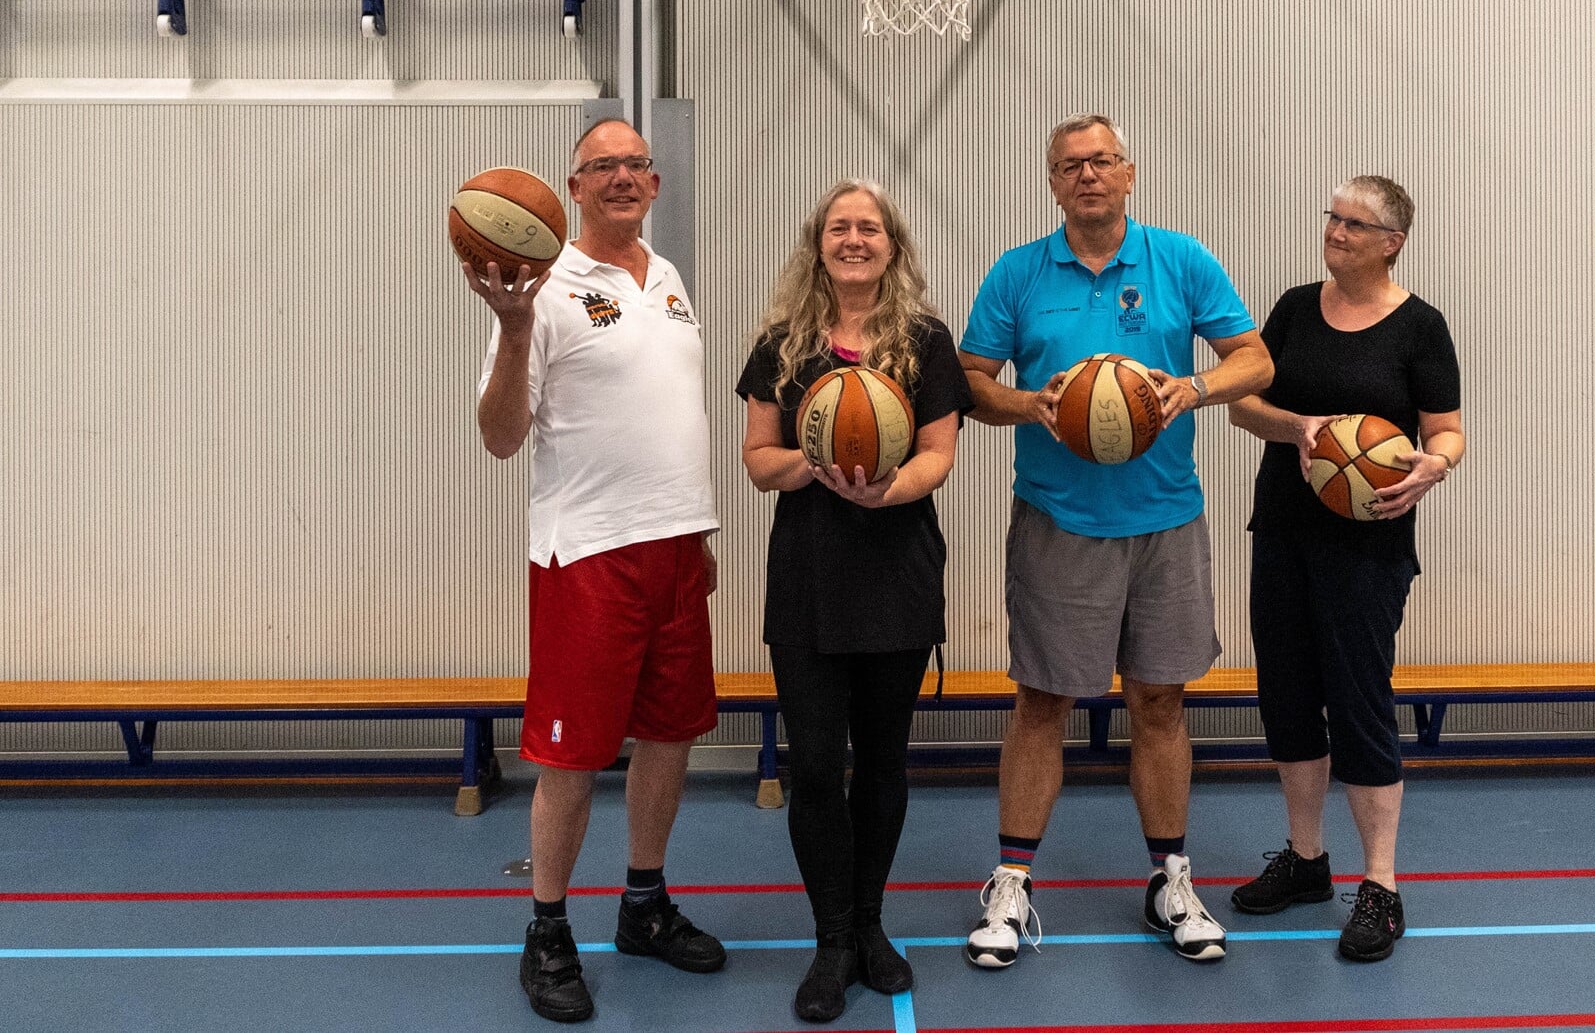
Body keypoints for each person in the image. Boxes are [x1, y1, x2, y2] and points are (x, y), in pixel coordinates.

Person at [955, 113, 1273, 968]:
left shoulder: (1180, 259)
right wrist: (1032, 404)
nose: (1087, 175)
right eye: (1069, 166)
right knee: (1041, 703)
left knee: (1161, 702)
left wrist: (1194, 387)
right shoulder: (1019, 273)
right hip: (1059, 522)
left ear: (1129, 173)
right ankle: (1012, 883)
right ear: (1052, 182)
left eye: (1101, 161)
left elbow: (1257, 360)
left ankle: (1171, 878)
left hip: (1165, 519)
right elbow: (971, 380)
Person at [468, 118, 727, 1024]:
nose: (621, 177)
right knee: (572, 755)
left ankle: (644, 905)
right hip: (588, 555)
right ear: (572, 189)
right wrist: (508, 329)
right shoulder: (540, 290)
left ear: (654, 185)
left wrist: (697, 532)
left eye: (635, 165)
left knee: (670, 735)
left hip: (675, 548)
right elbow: (501, 437)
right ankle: (546, 928)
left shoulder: (670, 280)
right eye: (601, 167)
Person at [737, 180, 972, 1022]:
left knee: (882, 762)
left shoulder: (926, 342)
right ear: (819, 244)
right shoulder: (781, 347)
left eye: (869, 227)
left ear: (892, 245)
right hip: (808, 576)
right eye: (840, 227)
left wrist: (890, 489)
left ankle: (872, 924)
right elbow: (757, 459)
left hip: (897, 567)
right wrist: (812, 460)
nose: (854, 238)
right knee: (811, 767)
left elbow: (941, 453)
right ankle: (830, 937)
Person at [1225, 175, 1464, 964]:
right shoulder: (1295, 308)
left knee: (1359, 701)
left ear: (1392, 240)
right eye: (1331, 216)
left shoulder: (1421, 327)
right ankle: (1305, 860)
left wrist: (1434, 467)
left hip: (1367, 545)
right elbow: (1242, 406)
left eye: (1355, 223)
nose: (1336, 230)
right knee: (1288, 695)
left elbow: (1448, 430)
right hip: (1285, 531)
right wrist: (1301, 428)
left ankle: (1382, 887)